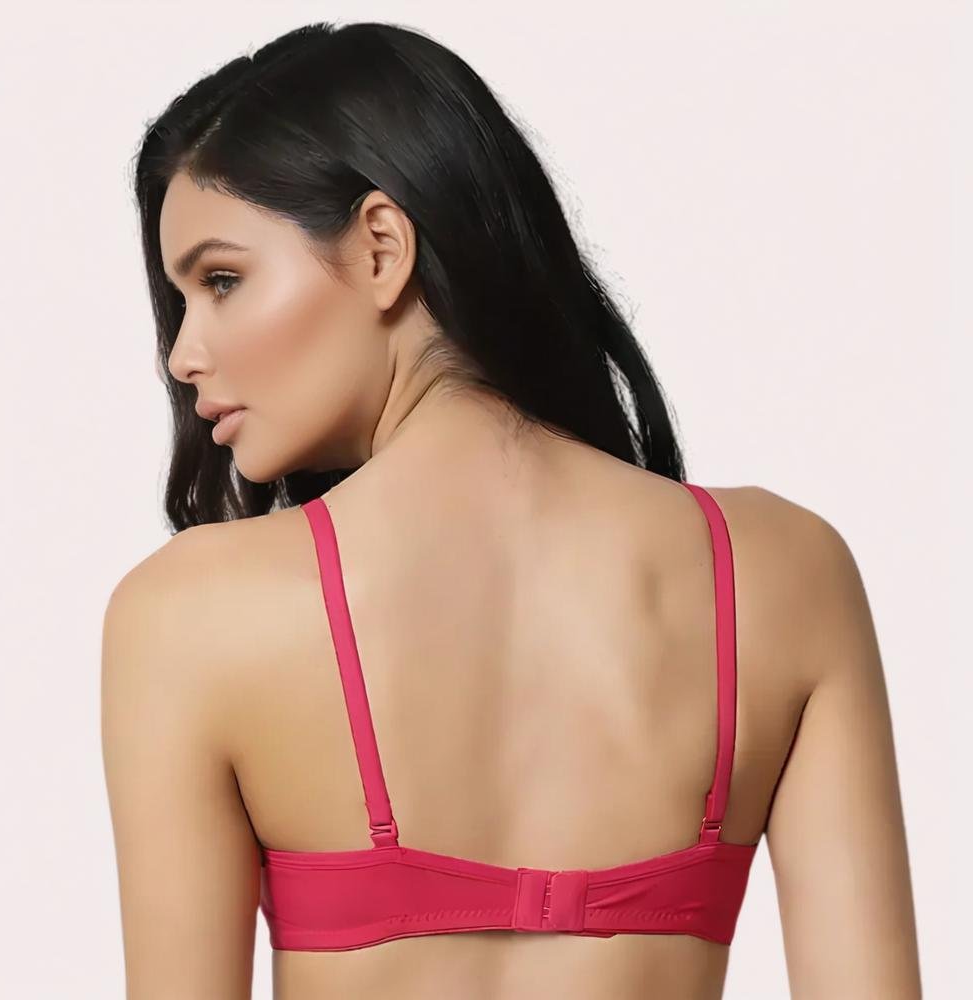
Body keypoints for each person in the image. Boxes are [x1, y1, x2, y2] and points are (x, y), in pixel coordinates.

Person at [100, 19, 922, 1000]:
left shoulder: (191, 616)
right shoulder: (784, 572)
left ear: (380, 248)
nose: (183, 352)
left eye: (221, 281)